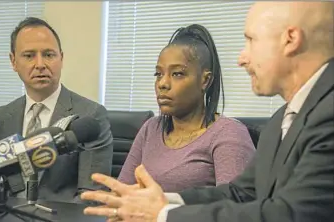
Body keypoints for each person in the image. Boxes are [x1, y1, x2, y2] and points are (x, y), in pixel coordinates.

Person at [80, 1, 334, 222]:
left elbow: (295, 215)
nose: (241, 58)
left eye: (250, 40)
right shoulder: (282, 118)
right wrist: (160, 201)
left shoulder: (328, 114)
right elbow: (241, 193)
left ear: (290, 39)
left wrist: (161, 215)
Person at [117, 24, 255, 192]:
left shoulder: (229, 134)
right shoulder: (151, 128)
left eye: (177, 74)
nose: (163, 83)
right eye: (158, 74)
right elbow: (121, 194)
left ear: (205, 80)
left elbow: (233, 211)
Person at [0, 17, 113, 203]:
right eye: (29, 55)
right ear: (13, 61)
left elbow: (91, 195)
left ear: (61, 58)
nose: (40, 64)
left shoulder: (91, 116)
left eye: (49, 55)